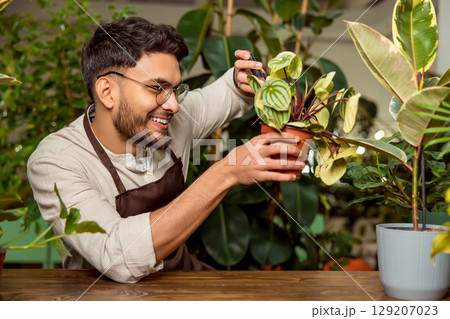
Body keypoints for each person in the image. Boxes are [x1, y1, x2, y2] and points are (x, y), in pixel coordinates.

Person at [27, 17, 304, 283]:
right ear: (107, 92)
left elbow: (228, 93)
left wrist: (244, 80)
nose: (173, 105)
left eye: (174, 89)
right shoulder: (56, 161)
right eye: (156, 88)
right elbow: (117, 257)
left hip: (181, 281)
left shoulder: (172, 122)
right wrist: (226, 172)